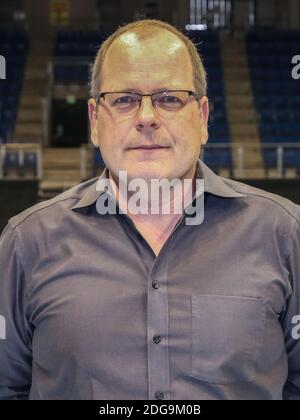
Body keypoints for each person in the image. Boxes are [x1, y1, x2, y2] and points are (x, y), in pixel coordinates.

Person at [0, 19, 299, 400]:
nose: (146, 118)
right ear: (94, 121)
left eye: (169, 98)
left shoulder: (284, 233)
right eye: (123, 99)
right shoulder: (27, 242)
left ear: (203, 118)